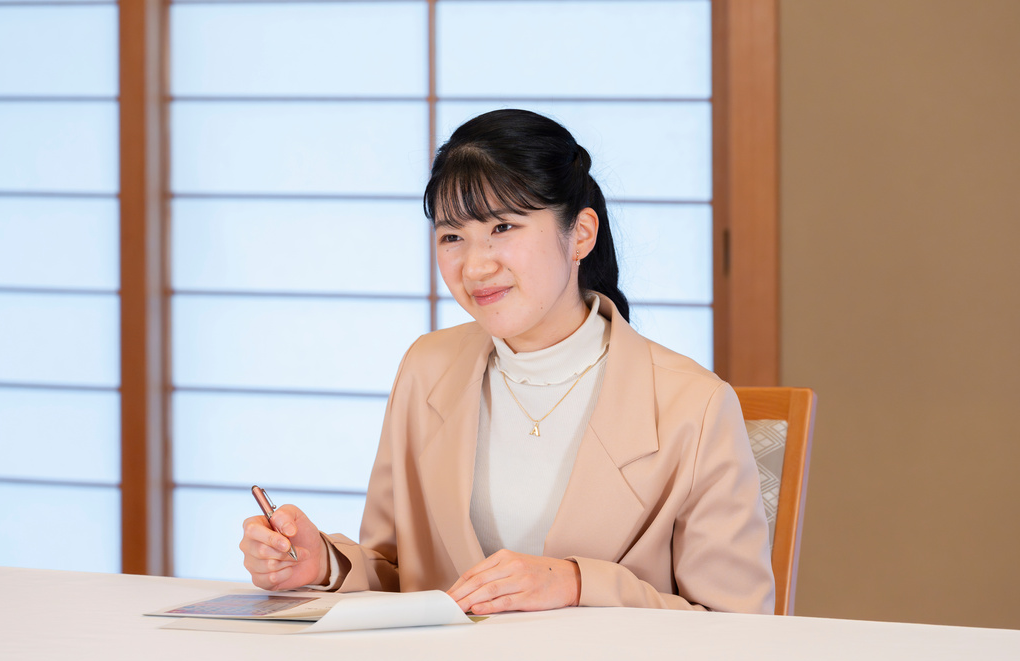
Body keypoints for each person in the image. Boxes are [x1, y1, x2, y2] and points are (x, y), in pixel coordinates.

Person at [240, 109, 775, 615]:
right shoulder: (427, 367)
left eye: (503, 228)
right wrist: (323, 563)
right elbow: (398, 573)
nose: (475, 266)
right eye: (453, 237)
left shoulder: (694, 405)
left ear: (580, 234)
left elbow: (736, 628)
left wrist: (575, 583)